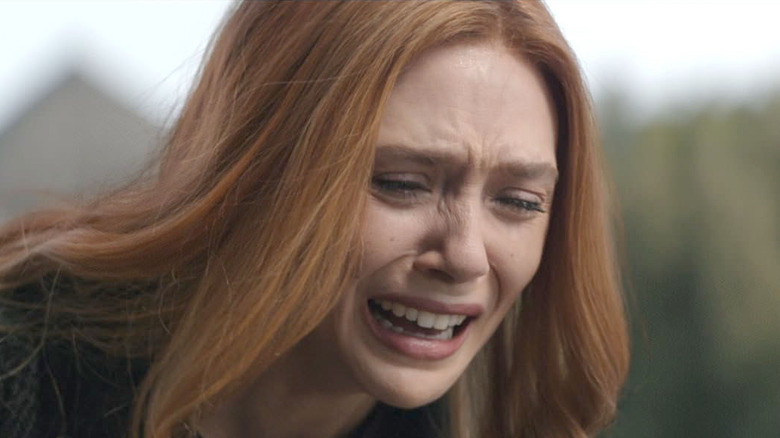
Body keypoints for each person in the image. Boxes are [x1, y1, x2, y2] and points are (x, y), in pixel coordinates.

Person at [0, 1, 629, 437]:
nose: (465, 256)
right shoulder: (22, 370)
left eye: (518, 202)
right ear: (257, 169)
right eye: (401, 184)